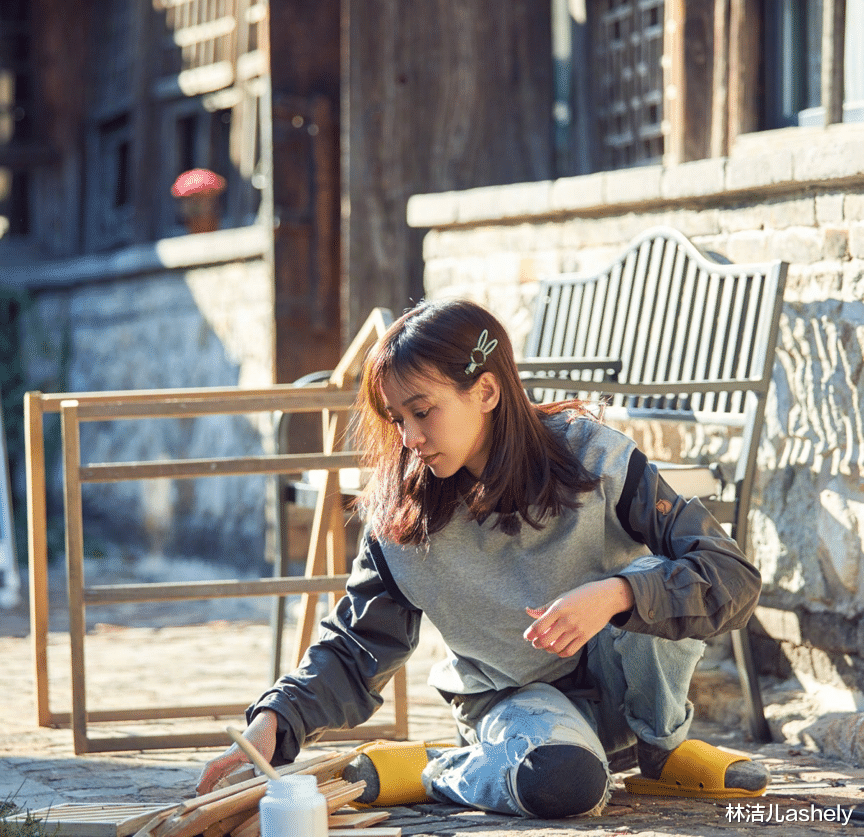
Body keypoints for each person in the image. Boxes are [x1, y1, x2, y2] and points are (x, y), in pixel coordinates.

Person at [197, 299, 769, 818]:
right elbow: (356, 646)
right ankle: (430, 770)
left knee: (646, 578)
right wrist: (276, 720)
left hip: (630, 688)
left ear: (487, 393)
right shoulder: (401, 516)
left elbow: (731, 575)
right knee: (567, 784)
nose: (410, 438)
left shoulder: (597, 457)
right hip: (517, 699)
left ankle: (664, 753)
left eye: (423, 411)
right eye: (398, 419)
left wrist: (614, 596)